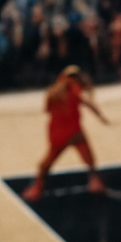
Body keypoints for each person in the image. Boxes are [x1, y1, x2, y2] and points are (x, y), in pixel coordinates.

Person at [23, 65, 109, 202]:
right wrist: (101, 117)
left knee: (48, 162)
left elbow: (47, 109)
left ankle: (37, 186)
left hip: (59, 134)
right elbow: (88, 99)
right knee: (88, 158)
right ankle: (94, 181)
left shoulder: (54, 92)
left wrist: (100, 116)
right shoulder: (73, 90)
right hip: (72, 133)